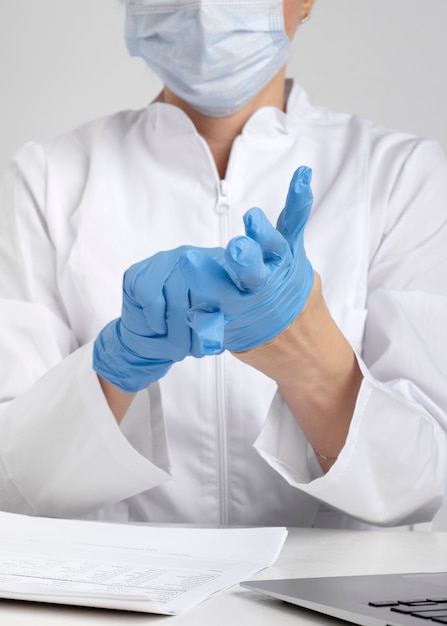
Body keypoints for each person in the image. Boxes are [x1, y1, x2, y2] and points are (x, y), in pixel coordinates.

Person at [0, 0, 446, 529]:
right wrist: (112, 373)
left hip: (327, 607)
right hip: (118, 605)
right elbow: (11, 489)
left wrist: (315, 364)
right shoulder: (46, 179)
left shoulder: (401, 177)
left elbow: (420, 486)